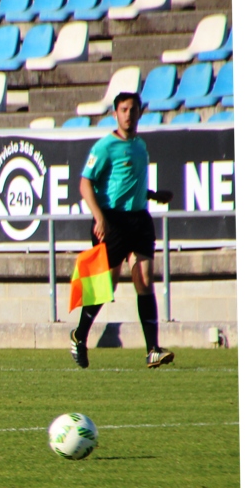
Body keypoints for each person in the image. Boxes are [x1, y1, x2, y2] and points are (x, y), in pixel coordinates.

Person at [71, 91, 175, 369]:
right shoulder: (105, 147)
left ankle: (152, 349)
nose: (129, 114)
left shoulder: (140, 146)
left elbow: (129, 182)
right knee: (105, 287)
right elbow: (85, 184)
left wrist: (152, 195)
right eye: (124, 109)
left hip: (139, 219)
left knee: (143, 278)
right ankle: (79, 336)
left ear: (140, 113)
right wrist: (99, 218)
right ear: (115, 114)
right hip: (112, 222)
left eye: (133, 109)